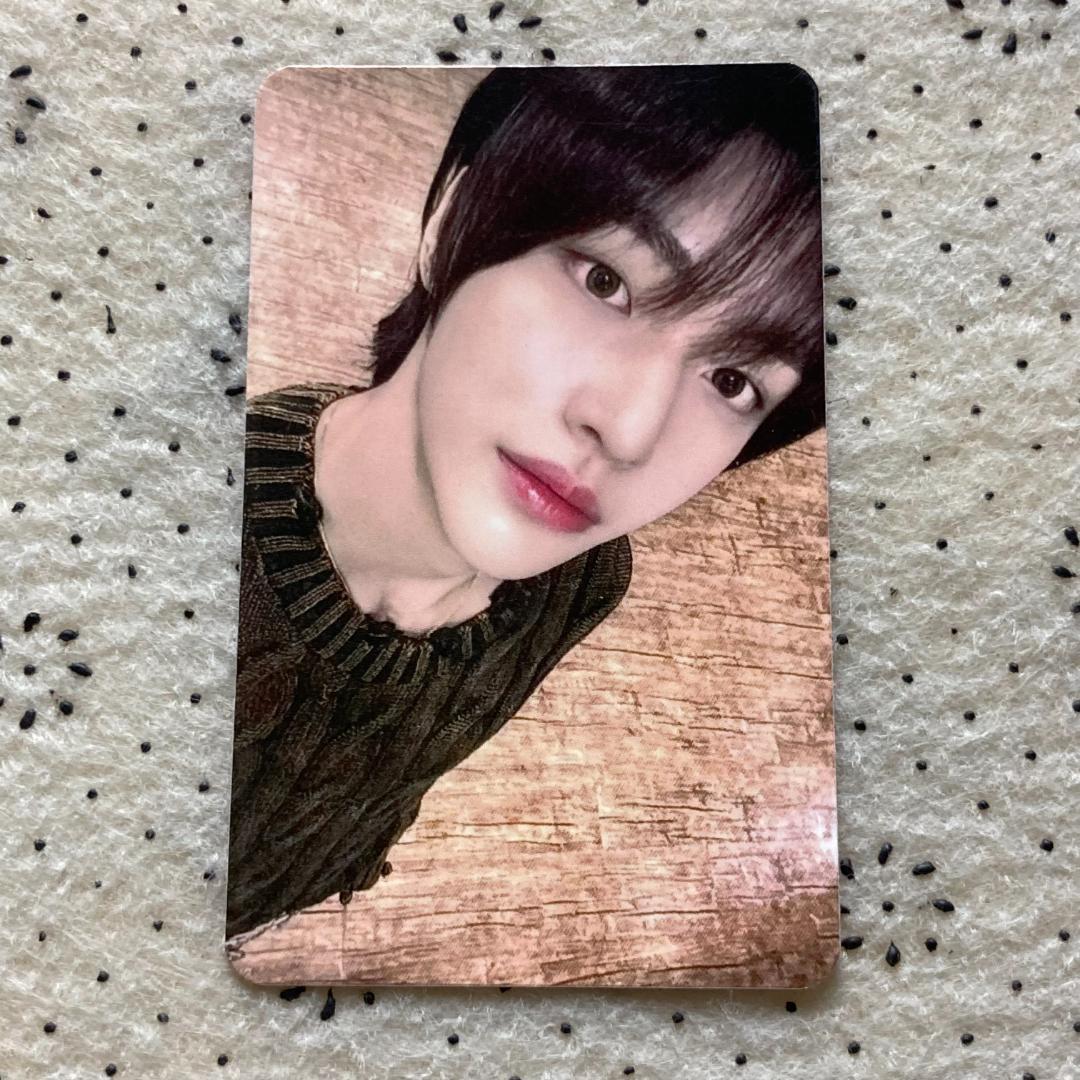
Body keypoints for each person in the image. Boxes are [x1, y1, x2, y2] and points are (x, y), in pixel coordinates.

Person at [224, 63, 824, 951]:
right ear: (451, 220)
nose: (627, 430)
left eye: (734, 381)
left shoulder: (581, 583)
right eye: (604, 281)